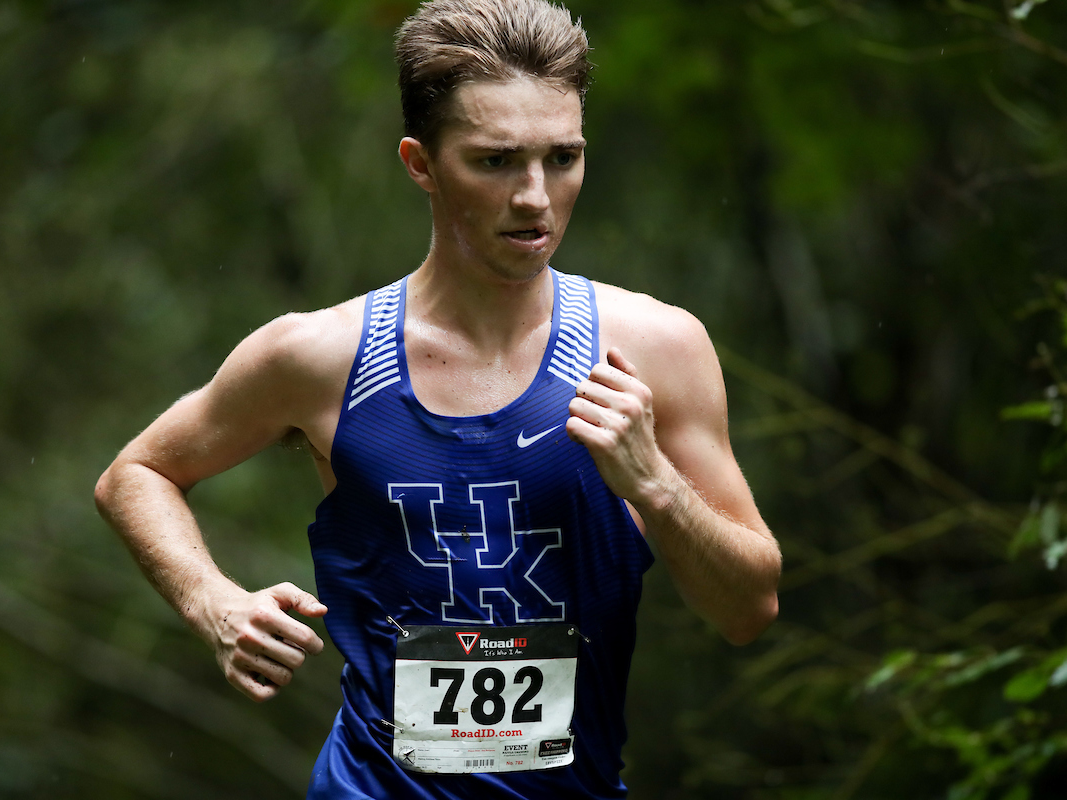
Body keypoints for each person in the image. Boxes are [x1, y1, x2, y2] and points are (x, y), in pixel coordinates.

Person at [94, 0, 781, 796]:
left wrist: (656, 484)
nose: (535, 197)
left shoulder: (656, 348)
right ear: (420, 163)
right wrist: (211, 601)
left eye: (563, 158)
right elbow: (137, 474)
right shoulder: (316, 355)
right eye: (495, 162)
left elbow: (749, 609)